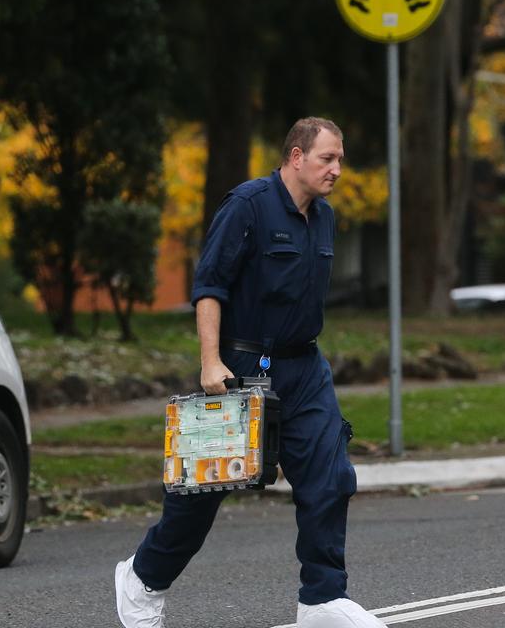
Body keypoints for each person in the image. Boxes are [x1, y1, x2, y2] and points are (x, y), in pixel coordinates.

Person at [115, 118, 384, 628]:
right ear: (296, 157)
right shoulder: (248, 206)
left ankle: (322, 600)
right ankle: (143, 579)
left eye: (341, 159)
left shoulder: (324, 217)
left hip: (304, 366)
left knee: (331, 477)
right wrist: (210, 361)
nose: (338, 170)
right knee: (202, 493)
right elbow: (210, 286)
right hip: (241, 366)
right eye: (328, 158)